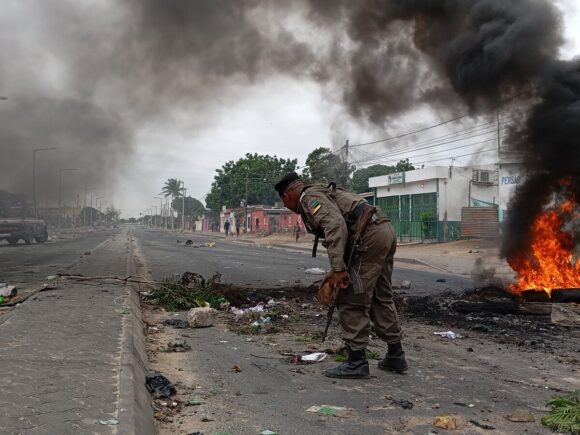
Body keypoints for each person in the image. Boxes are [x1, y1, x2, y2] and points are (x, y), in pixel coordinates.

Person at [274, 172, 408, 379]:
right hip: (383, 230)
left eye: (284, 203)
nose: (287, 207)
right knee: (381, 296)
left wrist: (339, 270)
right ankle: (396, 355)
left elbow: (335, 226)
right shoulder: (320, 191)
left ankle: (357, 362)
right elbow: (344, 226)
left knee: (351, 297)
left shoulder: (309, 198)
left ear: (286, 195)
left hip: (369, 235)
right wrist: (337, 268)